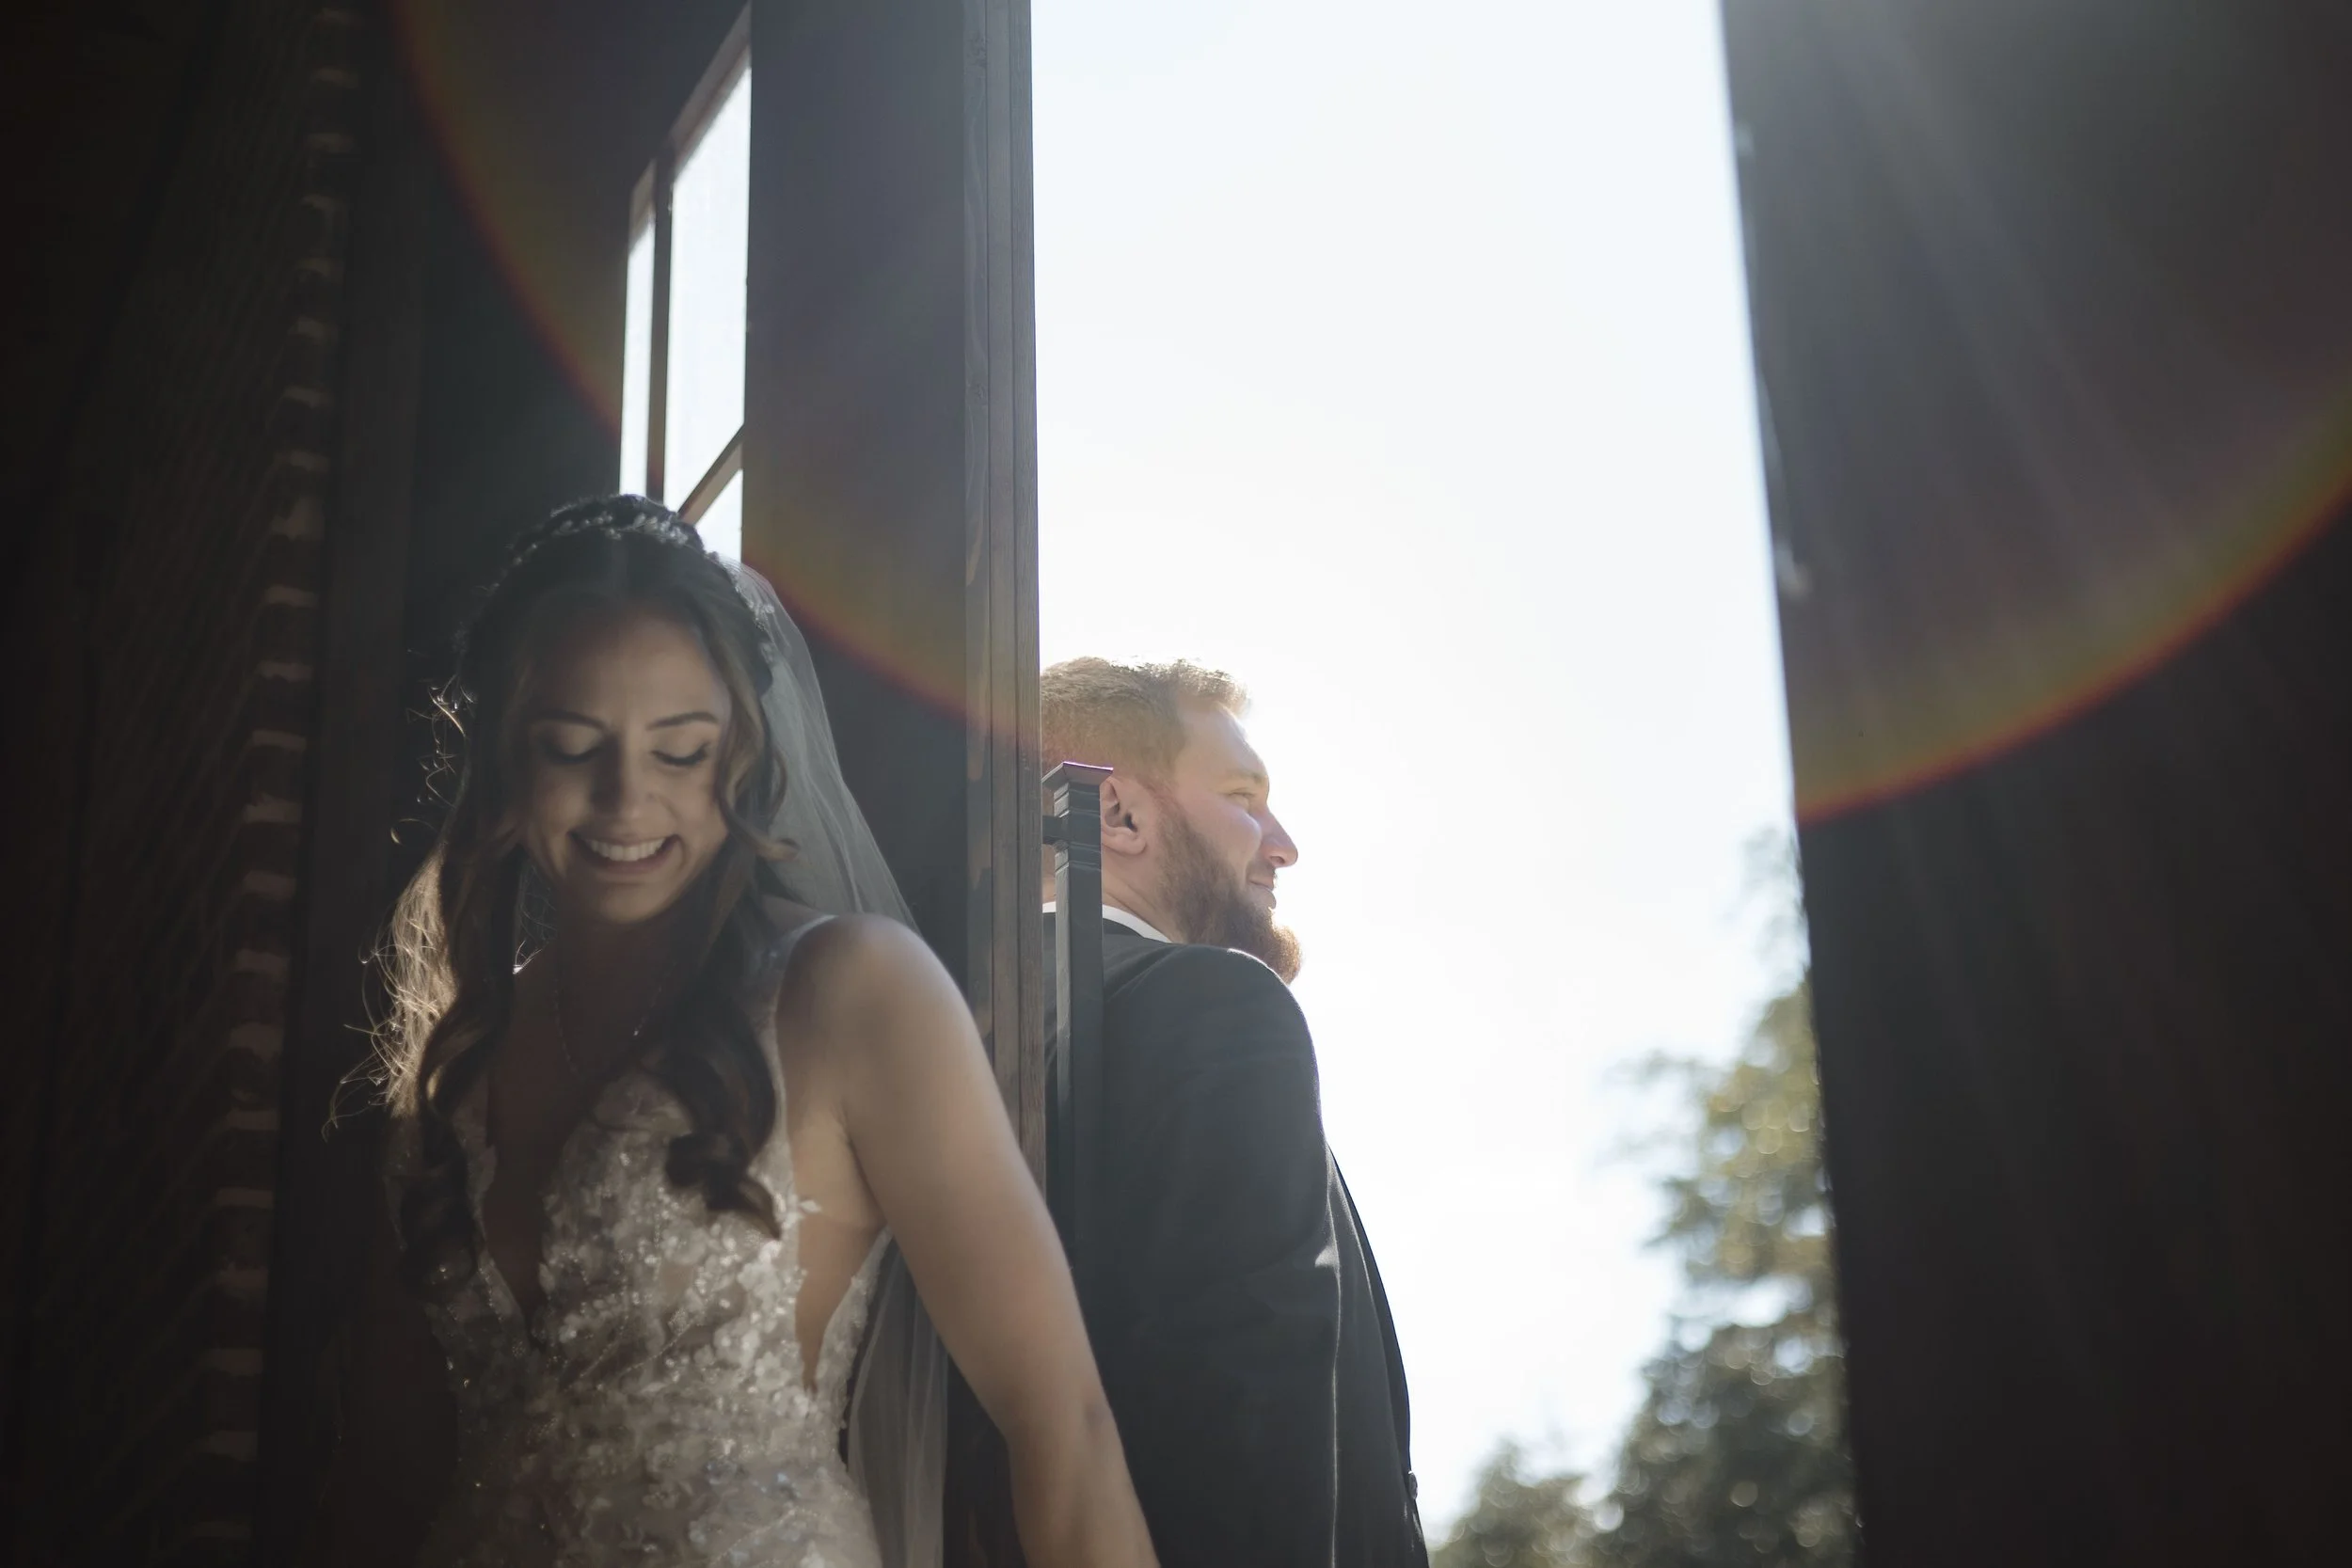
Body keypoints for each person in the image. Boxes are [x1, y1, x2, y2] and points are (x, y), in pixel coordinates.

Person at [310, 498, 1157, 1568]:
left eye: (680, 751)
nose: (628, 798)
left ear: (743, 756)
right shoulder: (450, 1075)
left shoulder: (847, 993)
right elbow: (381, 1481)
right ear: (505, 765)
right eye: (575, 745)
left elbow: (1063, 1427)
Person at [1041, 657, 1429, 1568]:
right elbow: (1248, 1407)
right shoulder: (1211, 1002)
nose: (1281, 842)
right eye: (1244, 796)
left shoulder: (943, 1032)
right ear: (1118, 813)